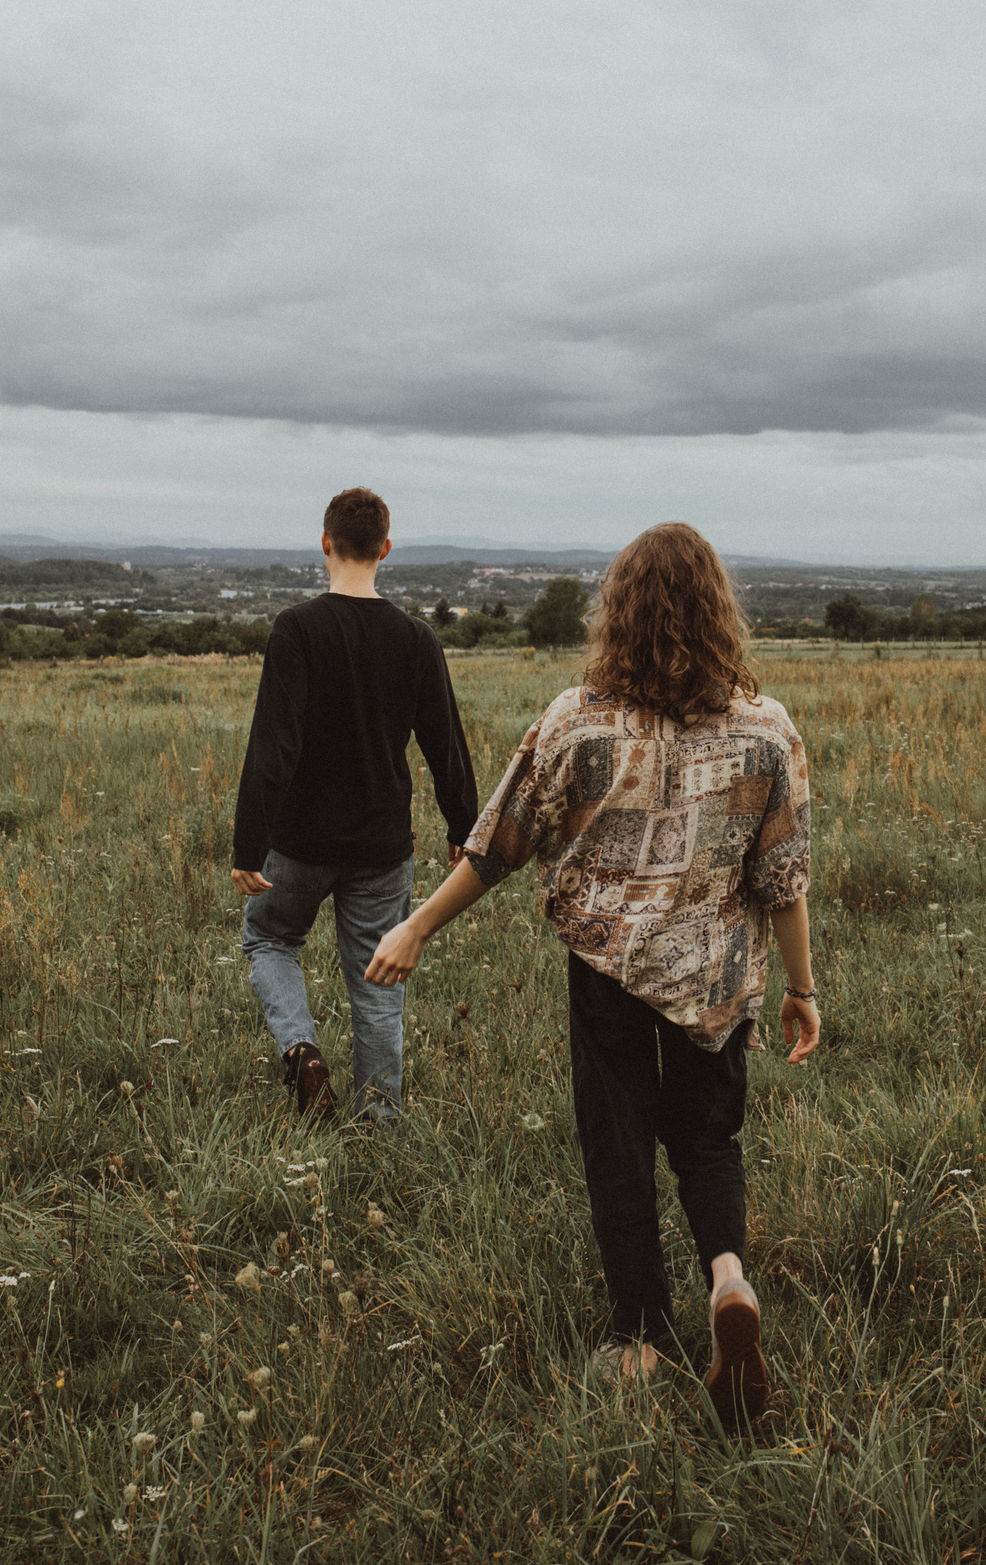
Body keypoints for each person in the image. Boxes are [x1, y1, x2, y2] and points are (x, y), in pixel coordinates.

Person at [366, 522, 820, 1430]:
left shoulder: (579, 720)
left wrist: (416, 922)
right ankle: (728, 1277)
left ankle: (643, 1337)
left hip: (610, 970)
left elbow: (499, 842)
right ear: (716, 611)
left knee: (618, 1143)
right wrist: (803, 988)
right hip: (717, 977)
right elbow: (784, 878)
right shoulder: (766, 730)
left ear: (620, 610)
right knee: (708, 1139)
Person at [231, 487, 480, 1124]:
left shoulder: (297, 629)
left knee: (269, 938)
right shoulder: (415, 638)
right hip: (381, 845)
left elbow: (273, 743)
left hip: (299, 840)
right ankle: (378, 1121)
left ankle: (302, 1051)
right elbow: (445, 741)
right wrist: (464, 827)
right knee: (378, 982)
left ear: (325, 544)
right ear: (385, 550)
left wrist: (248, 844)